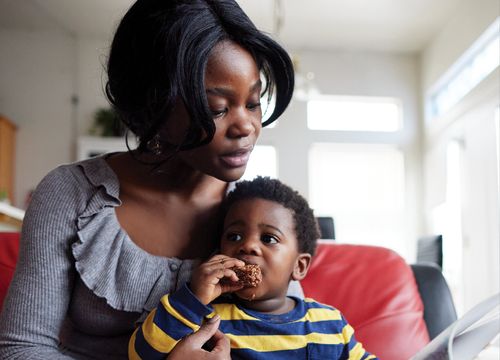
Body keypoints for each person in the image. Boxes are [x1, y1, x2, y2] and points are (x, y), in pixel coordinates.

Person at [0, 0, 294, 359]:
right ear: (153, 104)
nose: (246, 126)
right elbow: (21, 349)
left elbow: (296, 335)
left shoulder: (261, 211)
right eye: (217, 108)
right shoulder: (71, 195)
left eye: (252, 103)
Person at [130, 177, 378, 360]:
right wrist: (192, 298)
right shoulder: (206, 320)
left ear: (299, 266)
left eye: (269, 239)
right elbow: (140, 355)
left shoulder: (330, 323)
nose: (247, 246)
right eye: (234, 236)